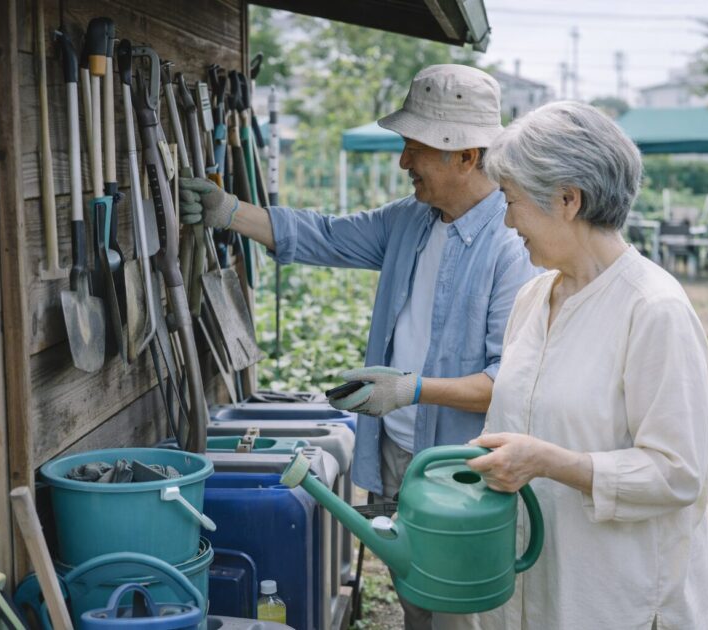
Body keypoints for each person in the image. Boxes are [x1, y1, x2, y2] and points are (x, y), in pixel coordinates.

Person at [178, 64, 539, 629]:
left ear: (465, 155)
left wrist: (410, 389)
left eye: (414, 147)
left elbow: (506, 382)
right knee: (417, 601)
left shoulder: (511, 246)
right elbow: (324, 235)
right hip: (402, 455)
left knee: (459, 612)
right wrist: (229, 211)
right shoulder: (411, 221)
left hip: (461, 470)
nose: (403, 162)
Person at [464, 101, 708, 629]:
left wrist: (550, 462)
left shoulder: (653, 309)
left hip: (616, 597)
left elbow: (679, 473)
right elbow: (511, 424)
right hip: (534, 582)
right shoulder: (534, 297)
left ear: (567, 200)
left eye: (512, 202)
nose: (508, 220)